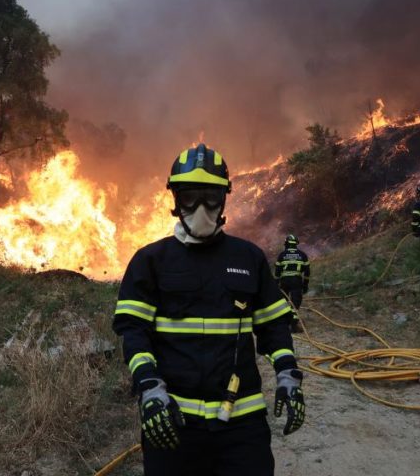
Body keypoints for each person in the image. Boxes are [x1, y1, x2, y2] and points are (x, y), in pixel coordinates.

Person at [112, 143, 305, 476]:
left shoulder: (249, 259)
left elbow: (274, 328)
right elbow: (133, 332)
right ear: (175, 200)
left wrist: (288, 377)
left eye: (210, 196)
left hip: (242, 424)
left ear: (224, 199)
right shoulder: (150, 261)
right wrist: (149, 387)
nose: (201, 207)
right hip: (172, 419)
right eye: (190, 196)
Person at [274, 234, 310, 332]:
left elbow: (277, 272)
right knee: (295, 303)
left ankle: (283, 323)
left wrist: (276, 283)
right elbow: (307, 272)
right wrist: (305, 284)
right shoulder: (302, 255)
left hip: (284, 281)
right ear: (296, 244)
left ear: (286, 244)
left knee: (283, 302)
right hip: (296, 281)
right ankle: (293, 326)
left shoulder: (282, 255)